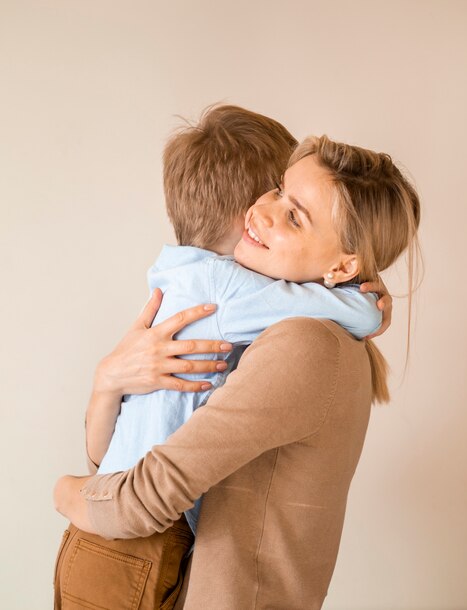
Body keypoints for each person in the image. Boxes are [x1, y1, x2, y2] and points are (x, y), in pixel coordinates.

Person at [55, 116, 417, 609]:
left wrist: (66, 492)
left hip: (124, 526)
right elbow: (136, 481)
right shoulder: (259, 312)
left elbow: (142, 489)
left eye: (294, 214)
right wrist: (368, 306)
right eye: (276, 192)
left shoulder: (300, 341)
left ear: (343, 264)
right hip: (121, 533)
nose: (262, 213)